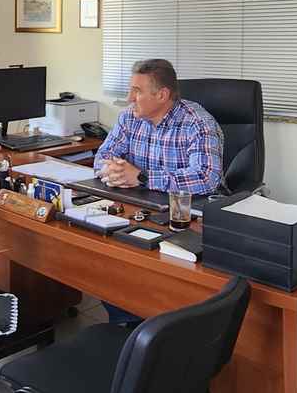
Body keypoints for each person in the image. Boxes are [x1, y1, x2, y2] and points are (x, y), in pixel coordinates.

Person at [93, 58, 224, 324]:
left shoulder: (197, 123)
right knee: (107, 255)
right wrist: (113, 170)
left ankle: (163, 327)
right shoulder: (129, 117)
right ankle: (126, 321)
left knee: (155, 266)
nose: (129, 98)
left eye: (137, 91)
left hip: (186, 212)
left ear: (162, 95)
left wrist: (141, 177)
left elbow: (207, 178)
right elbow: (102, 156)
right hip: (139, 204)